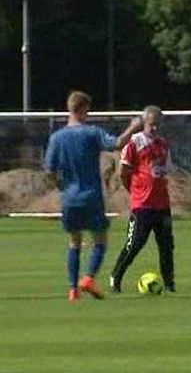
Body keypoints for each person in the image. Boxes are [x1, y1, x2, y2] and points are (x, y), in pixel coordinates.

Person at [45, 90, 142, 302]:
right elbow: (117, 143)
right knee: (100, 240)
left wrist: (60, 188)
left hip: (69, 197)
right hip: (91, 196)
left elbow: (49, 171)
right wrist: (133, 127)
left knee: (74, 242)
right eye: (87, 110)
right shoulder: (91, 133)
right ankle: (88, 278)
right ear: (81, 110)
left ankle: (73, 289)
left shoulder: (57, 137)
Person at [110, 105, 176, 293]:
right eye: (151, 125)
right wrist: (133, 190)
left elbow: (166, 170)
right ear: (144, 123)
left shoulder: (163, 144)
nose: (154, 128)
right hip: (142, 204)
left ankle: (170, 283)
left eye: (157, 125)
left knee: (166, 246)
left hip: (162, 204)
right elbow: (124, 171)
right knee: (135, 243)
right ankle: (116, 276)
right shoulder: (135, 142)